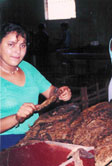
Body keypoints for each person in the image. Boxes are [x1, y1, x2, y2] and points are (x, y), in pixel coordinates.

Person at [0, 23, 72, 151]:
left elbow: (50, 91)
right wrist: (16, 118)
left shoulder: (27, 68)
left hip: (35, 134)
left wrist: (60, 92)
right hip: (6, 142)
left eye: (22, 45)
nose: (18, 51)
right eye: (11, 45)